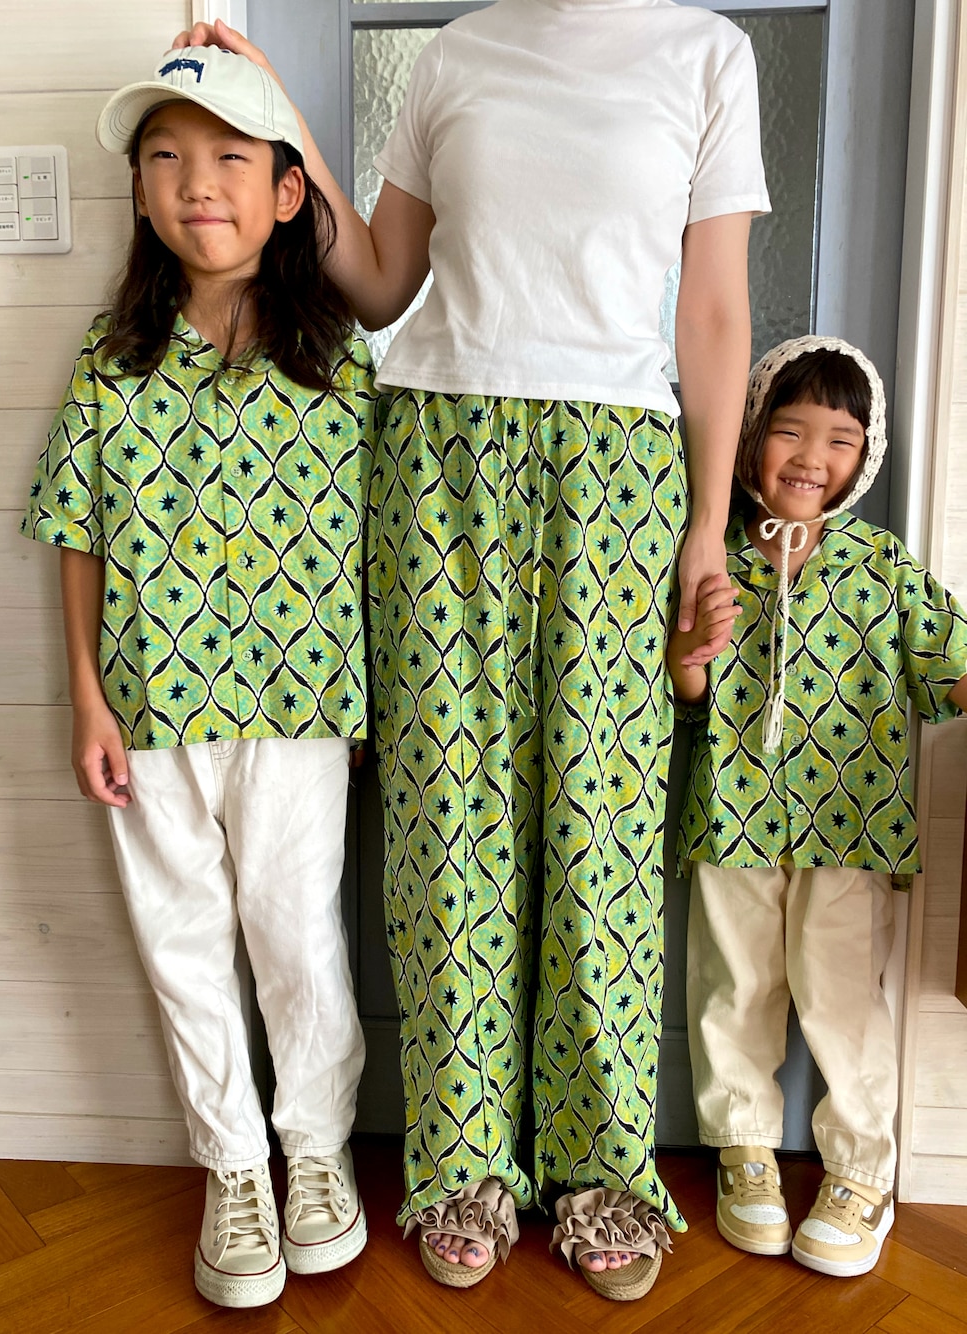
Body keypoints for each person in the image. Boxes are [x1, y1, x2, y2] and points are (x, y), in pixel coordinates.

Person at [176, 2, 769, 1299]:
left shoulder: (706, 55)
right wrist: (281, 123)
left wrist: (706, 522)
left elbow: (716, 311)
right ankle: (461, 1165)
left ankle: (601, 1169)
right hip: (438, 450)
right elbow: (384, 281)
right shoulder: (457, 53)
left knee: (602, 826)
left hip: (619, 463)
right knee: (450, 822)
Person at [22, 47, 378, 1309]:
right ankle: (232, 1166)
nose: (196, 184)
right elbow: (77, 526)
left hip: (301, 705)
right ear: (139, 190)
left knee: (296, 936)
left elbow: (387, 539)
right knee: (180, 941)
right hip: (152, 706)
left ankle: (315, 1150)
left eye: (230, 157)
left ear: (286, 193)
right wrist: (85, 694)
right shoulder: (111, 357)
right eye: (166, 158)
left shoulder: (340, 359)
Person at [667, 336, 967, 1278]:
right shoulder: (712, 558)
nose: (810, 457)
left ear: (865, 456)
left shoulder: (881, 566)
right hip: (734, 813)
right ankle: (744, 1151)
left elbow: (952, 667)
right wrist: (689, 656)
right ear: (751, 433)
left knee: (842, 998)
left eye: (840, 440)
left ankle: (861, 1172)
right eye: (789, 431)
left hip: (853, 820)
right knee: (734, 988)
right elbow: (684, 696)